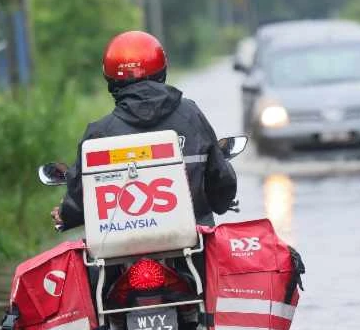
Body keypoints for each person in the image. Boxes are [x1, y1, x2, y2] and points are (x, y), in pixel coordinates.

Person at [52, 30, 237, 231]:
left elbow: (79, 199)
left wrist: (66, 214)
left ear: (110, 78)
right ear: (162, 69)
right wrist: (220, 201)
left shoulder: (99, 134)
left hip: (122, 246)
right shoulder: (191, 116)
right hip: (194, 239)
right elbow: (221, 181)